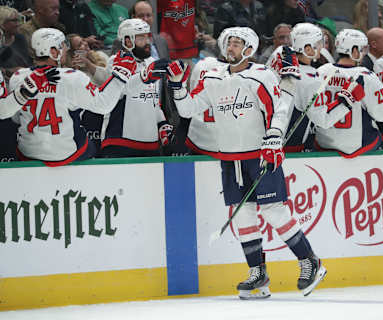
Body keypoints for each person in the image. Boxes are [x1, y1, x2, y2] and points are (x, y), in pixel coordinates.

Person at [166, 27, 327, 299]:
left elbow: (277, 108)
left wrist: (275, 137)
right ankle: (258, 274)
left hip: (259, 153)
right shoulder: (214, 78)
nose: (230, 48)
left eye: (237, 43)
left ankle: (310, 261)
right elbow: (188, 109)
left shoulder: (260, 75)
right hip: (230, 157)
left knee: (274, 210)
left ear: (250, 48)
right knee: (242, 215)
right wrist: (177, 86)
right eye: (229, 43)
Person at [9, 27, 137, 166]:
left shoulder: (18, 77)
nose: (66, 50)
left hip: (28, 152)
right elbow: (103, 105)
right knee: (91, 145)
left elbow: (15, 118)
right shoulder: (71, 77)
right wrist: (119, 76)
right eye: (63, 46)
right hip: (66, 153)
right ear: (53, 52)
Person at [268, 22, 351, 153]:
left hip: (265, 141)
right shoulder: (311, 79)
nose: (321, 48)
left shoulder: (279, 54)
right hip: (289, 149)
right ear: (307, 49)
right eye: (318, 43)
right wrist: (347, 100)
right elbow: (323, 120)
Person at [97, 18, 172, 157]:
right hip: (120, 142)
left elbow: (153, 101)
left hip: (150, 143)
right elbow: (118, 92)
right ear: (128, 41)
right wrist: (144, 76)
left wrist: (161, 123)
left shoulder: (151, 62)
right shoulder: (116, 61)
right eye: (141, 38)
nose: (147, 42)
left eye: (147, 36)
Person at [314, 29, 383, 158]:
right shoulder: (365, 76)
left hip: (323, 143)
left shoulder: (321, 71)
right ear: (354, 51)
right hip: (359, 145)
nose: (363, 53)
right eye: (362, 49)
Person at [0, 6, 32, 78]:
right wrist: (9, 71)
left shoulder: (21, 38)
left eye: (18, 20)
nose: (18, 23)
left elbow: (29, 62)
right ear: (2, 23)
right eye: (14, 20)